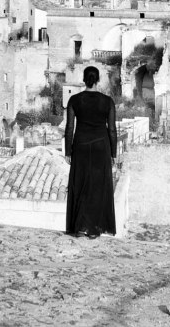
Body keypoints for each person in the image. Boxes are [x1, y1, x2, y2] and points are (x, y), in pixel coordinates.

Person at [64, 65, 117, 238]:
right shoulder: (107, 101)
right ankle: (94, 229)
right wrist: (114, 153)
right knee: (98, 187)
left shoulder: (74, 100)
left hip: (81, 146)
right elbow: (112, 130)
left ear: (84, 79)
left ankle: (80, 227)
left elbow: (69, 127)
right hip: (101, 147)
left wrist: (68, 151)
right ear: (98, 80)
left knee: (80, 185)